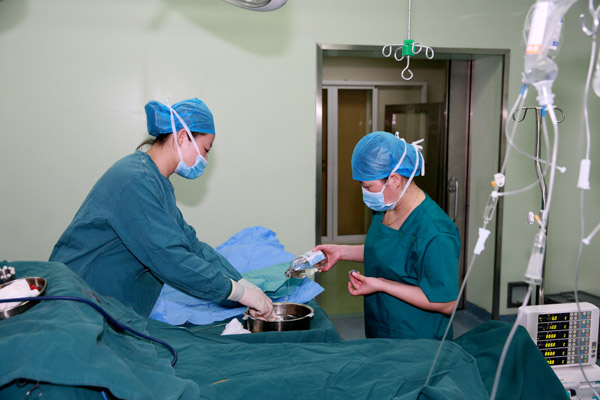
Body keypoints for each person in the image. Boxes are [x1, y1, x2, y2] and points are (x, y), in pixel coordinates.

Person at [50, 98, 274, 320]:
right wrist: (238, 293)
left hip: (105, 305)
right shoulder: (136, 182)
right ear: (182, 137)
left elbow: (193, 247)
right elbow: (172, 260)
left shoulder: (155, 182)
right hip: (79, 302)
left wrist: (244, 284)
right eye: (205, 150)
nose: (205, 160)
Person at [315, 131, 459, 339]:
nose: (365, 192)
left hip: (417, 339)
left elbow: (446, 302)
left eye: (367, 186)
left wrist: (381, 284)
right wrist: (341, 251)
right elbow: (390, 251)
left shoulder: (436, 232)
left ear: (394, 179)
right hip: (380, 326)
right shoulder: (386, 207)